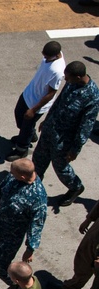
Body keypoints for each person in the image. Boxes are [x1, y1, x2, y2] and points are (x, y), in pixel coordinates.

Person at [33, 61, 99, 204]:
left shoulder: (92, 96)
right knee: (38, 159)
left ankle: (75, 187)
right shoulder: (71, 82)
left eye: (67, 77)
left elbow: (86, 125)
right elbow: (59, 102)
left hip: (64, 139)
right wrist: (47, 120)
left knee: (60, 167)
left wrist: (75, 149)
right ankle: (32, 188)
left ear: (79, 77)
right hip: (51, 129)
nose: (65, 80)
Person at [0, 160, 48, 289]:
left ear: (23, 176)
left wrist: (30, 248)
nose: (10, 174)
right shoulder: (12, 178)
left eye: (13, 173)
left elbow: (37, 225)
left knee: (2, 268)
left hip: (8, 239)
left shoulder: (38, 196)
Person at [11, 40, 65, 154]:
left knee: (26, 126)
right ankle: (28, 135)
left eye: (47, 56)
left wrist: (34, 109)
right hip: (28, 94)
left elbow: (51, 93)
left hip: (36, 103)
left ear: (56, 55)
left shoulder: (57, 71)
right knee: (19, 116)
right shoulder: (51, 56)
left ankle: (22, 149)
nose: (44, 58)